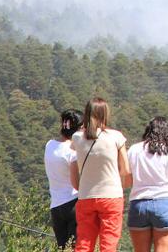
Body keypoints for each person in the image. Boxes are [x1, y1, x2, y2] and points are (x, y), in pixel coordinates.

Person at [69, 97, 130, 252]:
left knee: (84, 243)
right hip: (111, 196)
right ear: (105, 114)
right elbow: (125, 170)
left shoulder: (77, 138)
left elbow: (73, 163)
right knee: (108, 244)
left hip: (86, 195)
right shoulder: (116, 136)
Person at [127, 116, 168, 252]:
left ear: (148, 130)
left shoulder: (134, 150)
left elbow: (128, 178)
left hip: (139, 204)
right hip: (165, 202)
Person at [45, 109, 82, 249]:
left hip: (56, 206)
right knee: (77, 247)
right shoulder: (73, 151)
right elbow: (77, 183)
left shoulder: (49, 145)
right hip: (73, 203)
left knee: (62, 247)